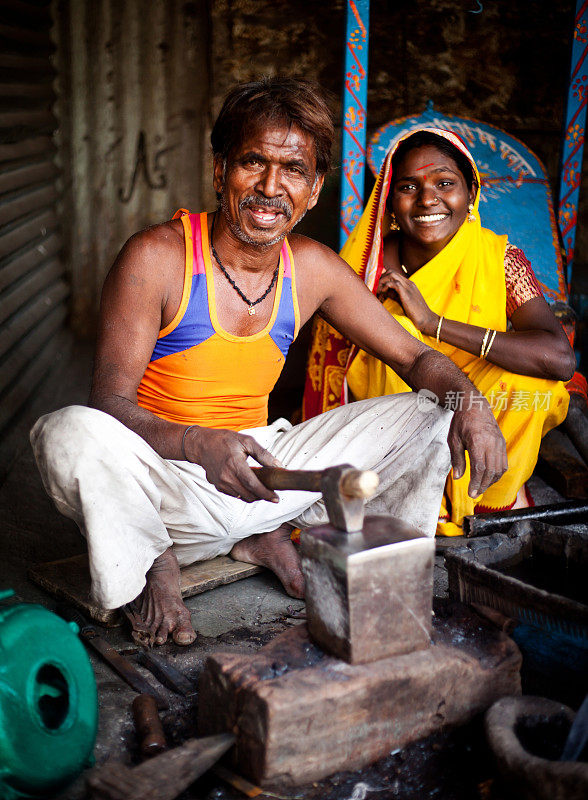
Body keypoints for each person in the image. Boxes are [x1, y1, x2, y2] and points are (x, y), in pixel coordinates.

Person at [32, 82, 507, 646]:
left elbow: (414, 355)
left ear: (313, 190)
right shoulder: (155, 258)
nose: (270, 187)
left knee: (435, 410)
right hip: (164, 482)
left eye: (293, 170)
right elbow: (110, 404)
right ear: (220, 171)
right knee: (66, 433)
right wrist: (195, 443)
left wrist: (470, 403)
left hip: (263, 474)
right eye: (253, 162)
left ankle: (358, 560)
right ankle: (150, 562)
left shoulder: (313, 268)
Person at [304, 127, 575, 537]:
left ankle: (488, 505)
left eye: (445, 183)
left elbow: (558, 358)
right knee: (393, 330)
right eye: (409, 186)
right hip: (399, 408)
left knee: (533, 386)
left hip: (477, 396)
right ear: (390, 203)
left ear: (470, 195)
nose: (428, 199)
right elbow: (335, 363)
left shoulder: (499, 258)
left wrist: (434, 324)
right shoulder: (367, 267)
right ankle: (419, 495)